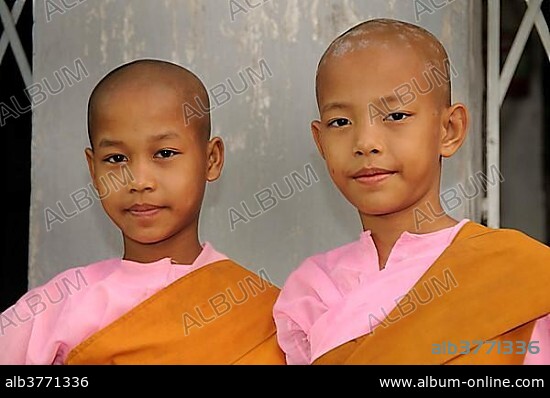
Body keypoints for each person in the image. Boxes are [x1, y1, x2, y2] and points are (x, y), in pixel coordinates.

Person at [273, 18, 550, 365]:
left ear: (449, 129)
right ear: (320, 141)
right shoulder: (310, 291)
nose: (366, 143)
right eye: (340, 122)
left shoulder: (520, 273)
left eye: (396, 114)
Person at [0, 59, 284, 365]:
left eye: (164, 153)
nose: (138, 181)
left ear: (211, 159)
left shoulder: (262, 312)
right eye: (116, 158)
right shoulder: (54, 307)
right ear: (93, 170)